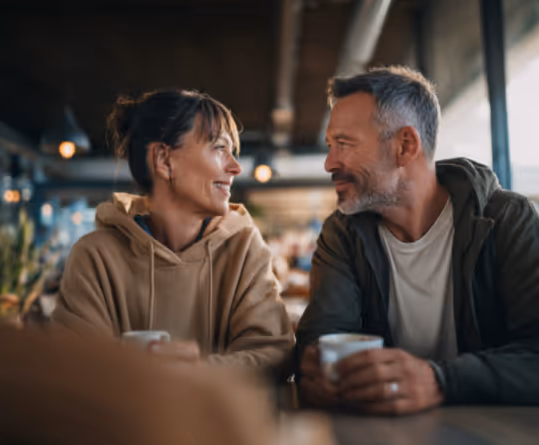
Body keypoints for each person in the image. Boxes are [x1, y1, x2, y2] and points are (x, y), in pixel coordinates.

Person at [296, 65, 539, 413]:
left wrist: (440, 381)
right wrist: (314, 368)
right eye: (330, 145)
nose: (329, 162)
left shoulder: (506, 220)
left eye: (344, 144)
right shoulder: (342, 234)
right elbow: (322, 337)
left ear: (405, 146)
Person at [53, 89, 294, 370]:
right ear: (165, 161)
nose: (236, 167)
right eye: (219, 148)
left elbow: (273, 355)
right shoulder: (94, 257)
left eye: (233, 151)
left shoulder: (244, 248)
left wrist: (191, 373)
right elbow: (73, 368)